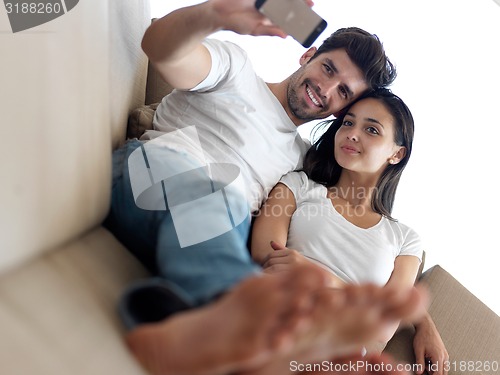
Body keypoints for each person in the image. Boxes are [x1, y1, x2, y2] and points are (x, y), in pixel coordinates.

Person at [103, 0, 430, 373]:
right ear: (307, 54)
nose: (325, 89)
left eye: (342, 92)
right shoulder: (236, 70)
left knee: (227, 212)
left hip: (208, 232)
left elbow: (375, 249)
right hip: (150, 176)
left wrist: (422, 320)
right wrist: (216, 15)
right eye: (327, 68)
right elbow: (159, 47)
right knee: (216, 195)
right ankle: (237, 327)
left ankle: (194, 323)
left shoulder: (302, 164)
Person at [251, 89, 449, 374]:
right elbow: (266, 257)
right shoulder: (298, 186)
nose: (352, 134)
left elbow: (385, 324)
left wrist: (317, 276)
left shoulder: (405, 239)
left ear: (397, 153)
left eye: (371, 129)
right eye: (348, 123)